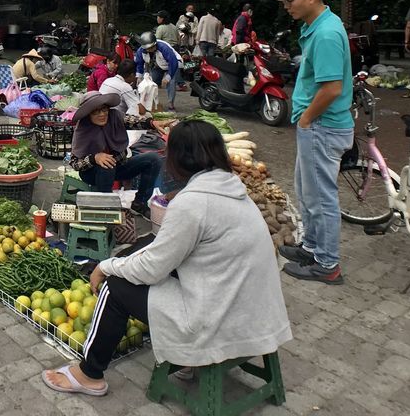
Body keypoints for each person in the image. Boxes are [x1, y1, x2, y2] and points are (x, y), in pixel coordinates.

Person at [43, 120, 291, 396]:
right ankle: (186, 358)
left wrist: (105, 265)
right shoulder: (231, 189)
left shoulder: (193, 203)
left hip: (221, 319)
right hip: (254, 312)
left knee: (115, 288)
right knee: (153, 261)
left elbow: (151, 268)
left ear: (180, 159)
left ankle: (89, 374)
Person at [272, 0, 354, 284]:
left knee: (321, 198)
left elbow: (332, 88)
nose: (286, 6)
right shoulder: (314, 27)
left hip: (322, 127)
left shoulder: (326, 34)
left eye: (289, 0)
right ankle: (312, 248)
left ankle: (328, 265)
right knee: (307, 193)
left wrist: (306, 120)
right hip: (315, 126)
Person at [68, 92, 161, 215]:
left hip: (118, 165)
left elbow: (132, 121)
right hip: (92, 173)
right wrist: (94, 158)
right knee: (106, 164)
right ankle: (106, 209)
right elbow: (75, 163)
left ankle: (140, 203)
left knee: (153, 159)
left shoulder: (114, 116)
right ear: (88, 114)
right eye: (96, 111)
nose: (102, 114)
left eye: (104, 109)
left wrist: (152, 123)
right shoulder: (82, 128)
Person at [135, 32, 180, 111]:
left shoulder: (164, 48)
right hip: (157, 65)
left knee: (171, 82)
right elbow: (139, 64)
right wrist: (139, 77)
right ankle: (150, 103)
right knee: (151, 82)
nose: (149, 49)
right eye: (147, 48)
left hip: (172, 65)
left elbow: (173, 62)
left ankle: (171, 104)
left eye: (151, 47)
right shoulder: (140, 51)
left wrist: (168, 77)